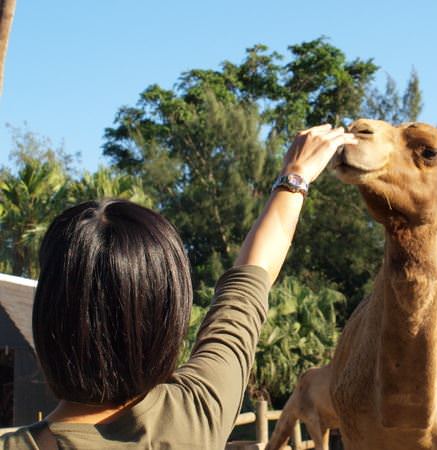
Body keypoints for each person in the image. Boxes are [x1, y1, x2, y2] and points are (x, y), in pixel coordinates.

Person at [0, 124, 357, 449]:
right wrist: (295, 177)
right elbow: (251, 278)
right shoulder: (195, 414)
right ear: (168, 318)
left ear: (49, 316)